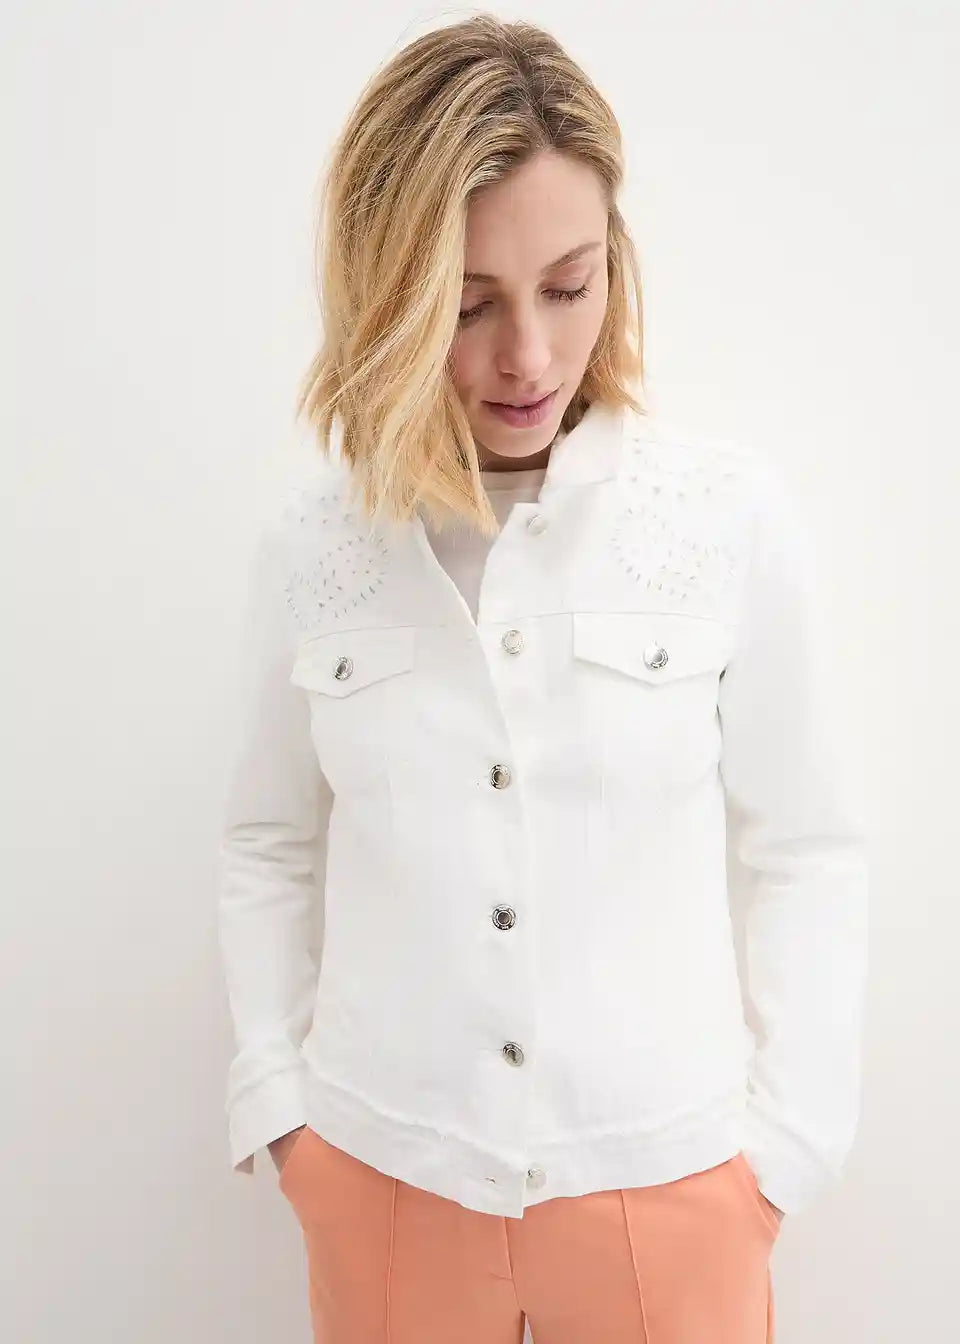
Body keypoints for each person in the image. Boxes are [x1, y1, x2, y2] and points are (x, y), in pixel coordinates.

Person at [216, 15, 868, 1343]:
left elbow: (806, 845)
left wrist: (784, 1155)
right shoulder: (315, 547)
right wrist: (281, 1113)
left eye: (569, 287)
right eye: (467, 306)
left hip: (671, 1190)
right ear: (389, 297)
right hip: (386, 1180)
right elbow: (266, 840)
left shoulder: (723, 520)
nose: (527, 356)